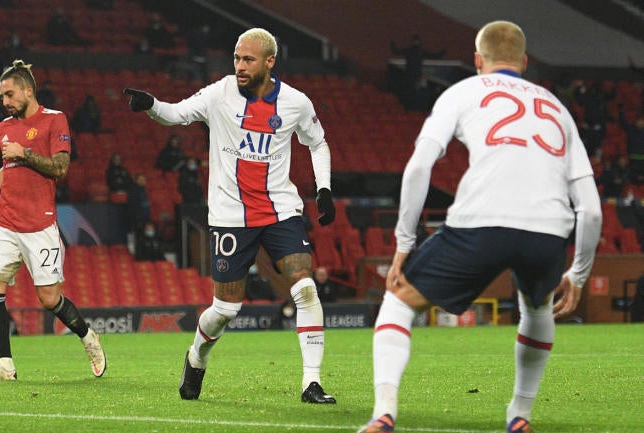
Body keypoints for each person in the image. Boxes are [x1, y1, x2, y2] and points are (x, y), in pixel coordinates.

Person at [358, 21, 602, 433]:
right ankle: (520, 414)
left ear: (477, 60)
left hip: (480, 223)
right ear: (524, 62)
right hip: (547, 232)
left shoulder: (463, 91)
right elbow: (592, 210)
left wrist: (404, 242)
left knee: (399, 299)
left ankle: (384, 412)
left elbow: (419, 166)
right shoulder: (556, 107)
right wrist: (578, 274)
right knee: (537, 307)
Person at [124, 27, 337, 404]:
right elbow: (177, 114)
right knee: (225, 309)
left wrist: (323, 189)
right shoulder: (218, 94)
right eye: (237, 58)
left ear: (270, 62)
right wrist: (152, 104)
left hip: (280, 210)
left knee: (304, 285)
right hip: (229, 214)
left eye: (248, 59)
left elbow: (317, 142)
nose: (239, 66)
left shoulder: (295, 103)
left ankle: (311, 382)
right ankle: (196, 357)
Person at [0, 59, 105, 381]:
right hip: (5, 221)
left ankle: (87, 336)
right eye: (2, 97)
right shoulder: (4, 128)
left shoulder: (55, 120)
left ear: (28, 90)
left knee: (49, 298)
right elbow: (8, 170)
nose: (5, 102)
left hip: (40, 225)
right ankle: (5, 365)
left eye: (9, 95)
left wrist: (25, 153)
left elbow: (60, 168)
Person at [618, 104, 644, 183]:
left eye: (642, 121)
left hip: (643, 159)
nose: (640, 123)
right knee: (632, 178)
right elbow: (623, 123)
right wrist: (621, 111)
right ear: (636, 122)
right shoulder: (631, 129)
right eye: (639, 121)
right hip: (633, 158)